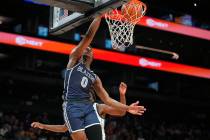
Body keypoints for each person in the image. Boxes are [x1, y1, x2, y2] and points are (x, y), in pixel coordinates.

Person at [62, 16, 146, 140]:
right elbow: (88, 37)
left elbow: (108, 100)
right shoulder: (73, 61)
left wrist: (127, 106)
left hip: (86, 109)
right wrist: (98, 15)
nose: (87, 48)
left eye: (90, 49)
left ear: (92, 57)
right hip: (72, 105)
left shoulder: (95, 79)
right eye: (85, 47)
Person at [31, 82, 145, 140]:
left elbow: (121, 112)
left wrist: (122, 95)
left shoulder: (98, 107)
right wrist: (43, 126)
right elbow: (64, 127)